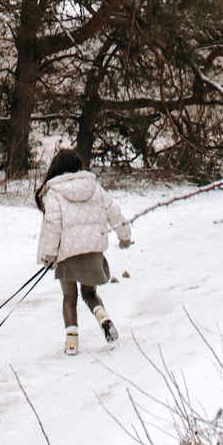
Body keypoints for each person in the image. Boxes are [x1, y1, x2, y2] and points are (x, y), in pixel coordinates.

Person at [35, 149, 131, 354]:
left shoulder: (54, 192)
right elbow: (113, 211)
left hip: (67, 254)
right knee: (89, 293)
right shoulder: (94, 187)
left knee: (69, 298)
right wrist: (125, 237)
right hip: (92, 251)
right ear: (78, 166)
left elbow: (52, 224)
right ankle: (103, 318)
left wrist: (48, 255)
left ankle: (72, 344)